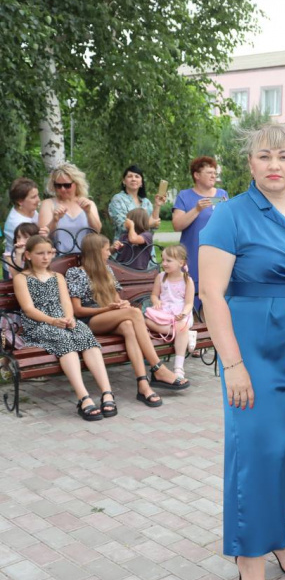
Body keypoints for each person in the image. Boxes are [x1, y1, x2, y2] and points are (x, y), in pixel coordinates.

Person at [199, 124, 285, 580]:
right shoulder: (228, 216)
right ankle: (250, 563)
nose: (275, 165)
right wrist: (233, 365)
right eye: (265, 156)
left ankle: (277, 538)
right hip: (251, 349)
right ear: (250, 164)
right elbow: (211, 295)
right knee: (256, 453)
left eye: (284, 157)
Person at [66, 233, 188, 409]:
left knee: (129, 325)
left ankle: (143, 385)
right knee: (135, 314)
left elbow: (117, 299)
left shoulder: (107, 270)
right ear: (95, 252)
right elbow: (77, 310)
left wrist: (121, 304)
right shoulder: (75, 273)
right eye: (106, 250)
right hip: (90, 320)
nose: (110, 253)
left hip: (112, 316)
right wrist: (108, 309)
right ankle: (157, 367)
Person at [13, 235, 115, 421]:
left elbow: (66, 302)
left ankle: (107, 392)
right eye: (40, 253)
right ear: (28, 255)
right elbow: (28, 309)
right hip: (39, 324)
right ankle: (83, 397)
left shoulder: (57, 277)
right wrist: (52, 321)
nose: (45, 257)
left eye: (49, 253)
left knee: (85, 334)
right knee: (64, 339)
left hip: (63, 321)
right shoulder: (22, 278)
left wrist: (69, 318)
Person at [173, 156, 228, 310]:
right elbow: (177, 225)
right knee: (192, 301)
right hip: (192, 256)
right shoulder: (184, 196)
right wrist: (196, 209)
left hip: (217, 257)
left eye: (214, 173)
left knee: (216, 300)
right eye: (209, 172)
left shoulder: (222, 194)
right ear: (196, 175)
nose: (213, 176)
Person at [144, 245, 195, 381]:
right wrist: (156, 302)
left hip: (180, 314)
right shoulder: (161, 277)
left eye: (169, 261)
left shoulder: (187, 280)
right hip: (164, 313)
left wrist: (183, 313)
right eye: (163, 260)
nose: (164, 263)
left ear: (181, 262)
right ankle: (184, 335)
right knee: (147, 320)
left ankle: (178, 367)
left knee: (181, 326)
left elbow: (189, 303)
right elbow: (154, 295)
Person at [38, 163, 102, 255]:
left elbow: (97, 231)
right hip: (58, 260)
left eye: (67, 185)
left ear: (77, 183)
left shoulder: (88, 204)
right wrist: (55, 220)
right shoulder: (48, 204)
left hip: (86, 259)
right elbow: (43, 237)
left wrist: (88, 213)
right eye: (58, 186)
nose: (62, 189)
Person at [107, 165, 165, 237]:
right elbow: (123, 226)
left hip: (145, 245)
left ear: (141, 183)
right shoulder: (117, 199)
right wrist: (148, 224)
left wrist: (157, 205)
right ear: (124, 181)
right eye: (130, 176)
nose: (133, 179)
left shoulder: (146, 202)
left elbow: (154, 226)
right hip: (125, 245)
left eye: (137, 176)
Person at [4, 178, 42, 258]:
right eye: (33, 197)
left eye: (37, 195)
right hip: (18, 266)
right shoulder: (17, 223)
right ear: (20, 201)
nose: (38, 200)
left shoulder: (27, 208)